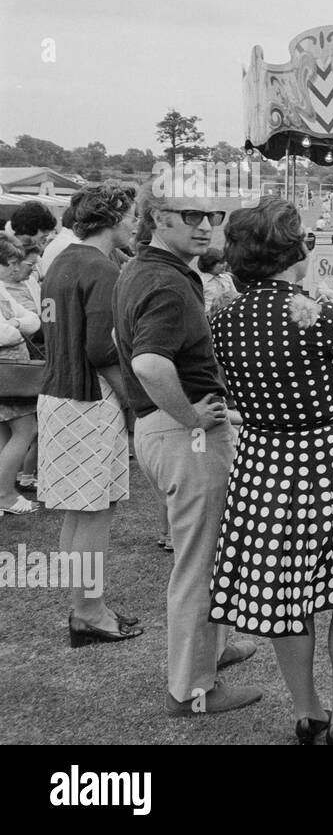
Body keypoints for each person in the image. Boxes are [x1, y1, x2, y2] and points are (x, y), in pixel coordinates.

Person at [210, 199, 333, 744]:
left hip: (260, 465)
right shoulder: (314, 313)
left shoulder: (223, 319)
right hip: (324, 459)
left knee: (287, 595)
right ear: (294, 252)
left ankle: (309, 712)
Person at [114, 186, 261, 717]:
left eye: (212, 215)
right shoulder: (166, 281)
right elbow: (149, 364)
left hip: (162, 431)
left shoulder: (144, 268)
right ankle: (191, 690)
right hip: (183, 434)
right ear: (158, 217)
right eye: (192, 215)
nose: (205, 225)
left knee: (206, 559)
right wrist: (192, 415)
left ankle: (209, 657)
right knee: (200, 567)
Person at [37, 185, 141, 645]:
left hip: (58, 394)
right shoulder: (101, 267)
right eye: (131, 215)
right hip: (89, 398)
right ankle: (89, 612)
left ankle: (84, 606)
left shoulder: (61, 259)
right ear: (112, 217)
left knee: (77, 513)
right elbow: (102, 349)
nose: (136, 223)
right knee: (94, 511)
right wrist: (136, 404)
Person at [0, 236, 40, 514]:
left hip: (10, 376)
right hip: (9, 377)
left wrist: (15, 323)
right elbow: (10, 331)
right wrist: (16, 325)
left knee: (4, 433)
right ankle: (5, 494)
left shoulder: (2, 291)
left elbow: (32, 320)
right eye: (11, 263)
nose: (15, 269)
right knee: (26, 429)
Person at [196, 248, 238, 318]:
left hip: (229, 314)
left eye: (225, 261)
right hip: (210, 317)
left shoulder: (227, 277)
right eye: (221, 263)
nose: (225, 264)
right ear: (210, 264)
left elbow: (235, 295)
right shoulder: (201, 282)